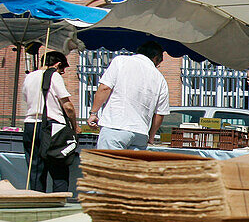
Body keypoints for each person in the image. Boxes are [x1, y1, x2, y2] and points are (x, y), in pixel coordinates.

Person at [89, 41, 170, 150]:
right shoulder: (160, 79)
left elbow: (105, 88)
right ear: (155, 58)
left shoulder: (121, 61)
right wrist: (151, 136)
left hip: (116, 126)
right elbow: (160, 113)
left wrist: (94, 112)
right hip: (141, 133)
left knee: (109, 166)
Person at [21, 51, 79, 193]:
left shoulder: (28, 77)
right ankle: (59, 202)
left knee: (35, 171)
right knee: (58, 168)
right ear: (58, 64)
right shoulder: (54, 76)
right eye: (63, 69)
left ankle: (37, 203)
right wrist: (75, 126)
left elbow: (26, 99)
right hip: (52, 127)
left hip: (30, 125)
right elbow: (68, 106)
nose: (63, 73)